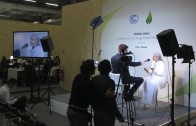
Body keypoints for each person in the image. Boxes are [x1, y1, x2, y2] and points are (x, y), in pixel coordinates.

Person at [91, 59, 124, 126]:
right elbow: (111, 102)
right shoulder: (110, 82)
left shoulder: (94, 80)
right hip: (107, 114)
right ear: (109, 69)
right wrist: (119, 115)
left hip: (96, 112)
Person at [67, 59, 95, 126]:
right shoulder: (87, 82)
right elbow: (89, 99)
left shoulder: (77, 77)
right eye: (94, 67)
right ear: (91, 70)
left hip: (70, 110)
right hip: (79, 113)